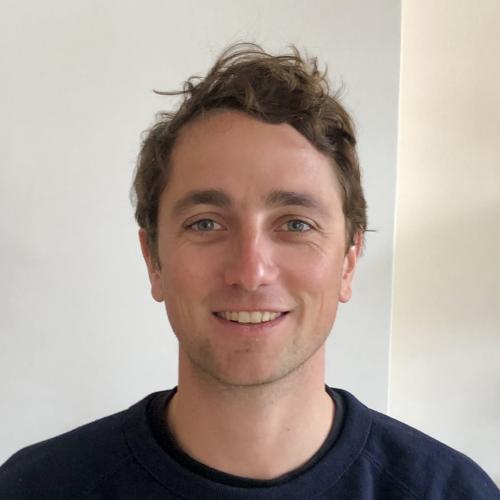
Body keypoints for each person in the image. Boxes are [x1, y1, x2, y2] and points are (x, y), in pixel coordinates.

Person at [1, 44, 498, 500]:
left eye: (296, 224)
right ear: (153, 260)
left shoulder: (452, 492)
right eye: (206, 223)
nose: (250, 271)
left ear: (349, 261)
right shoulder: (37, 488)